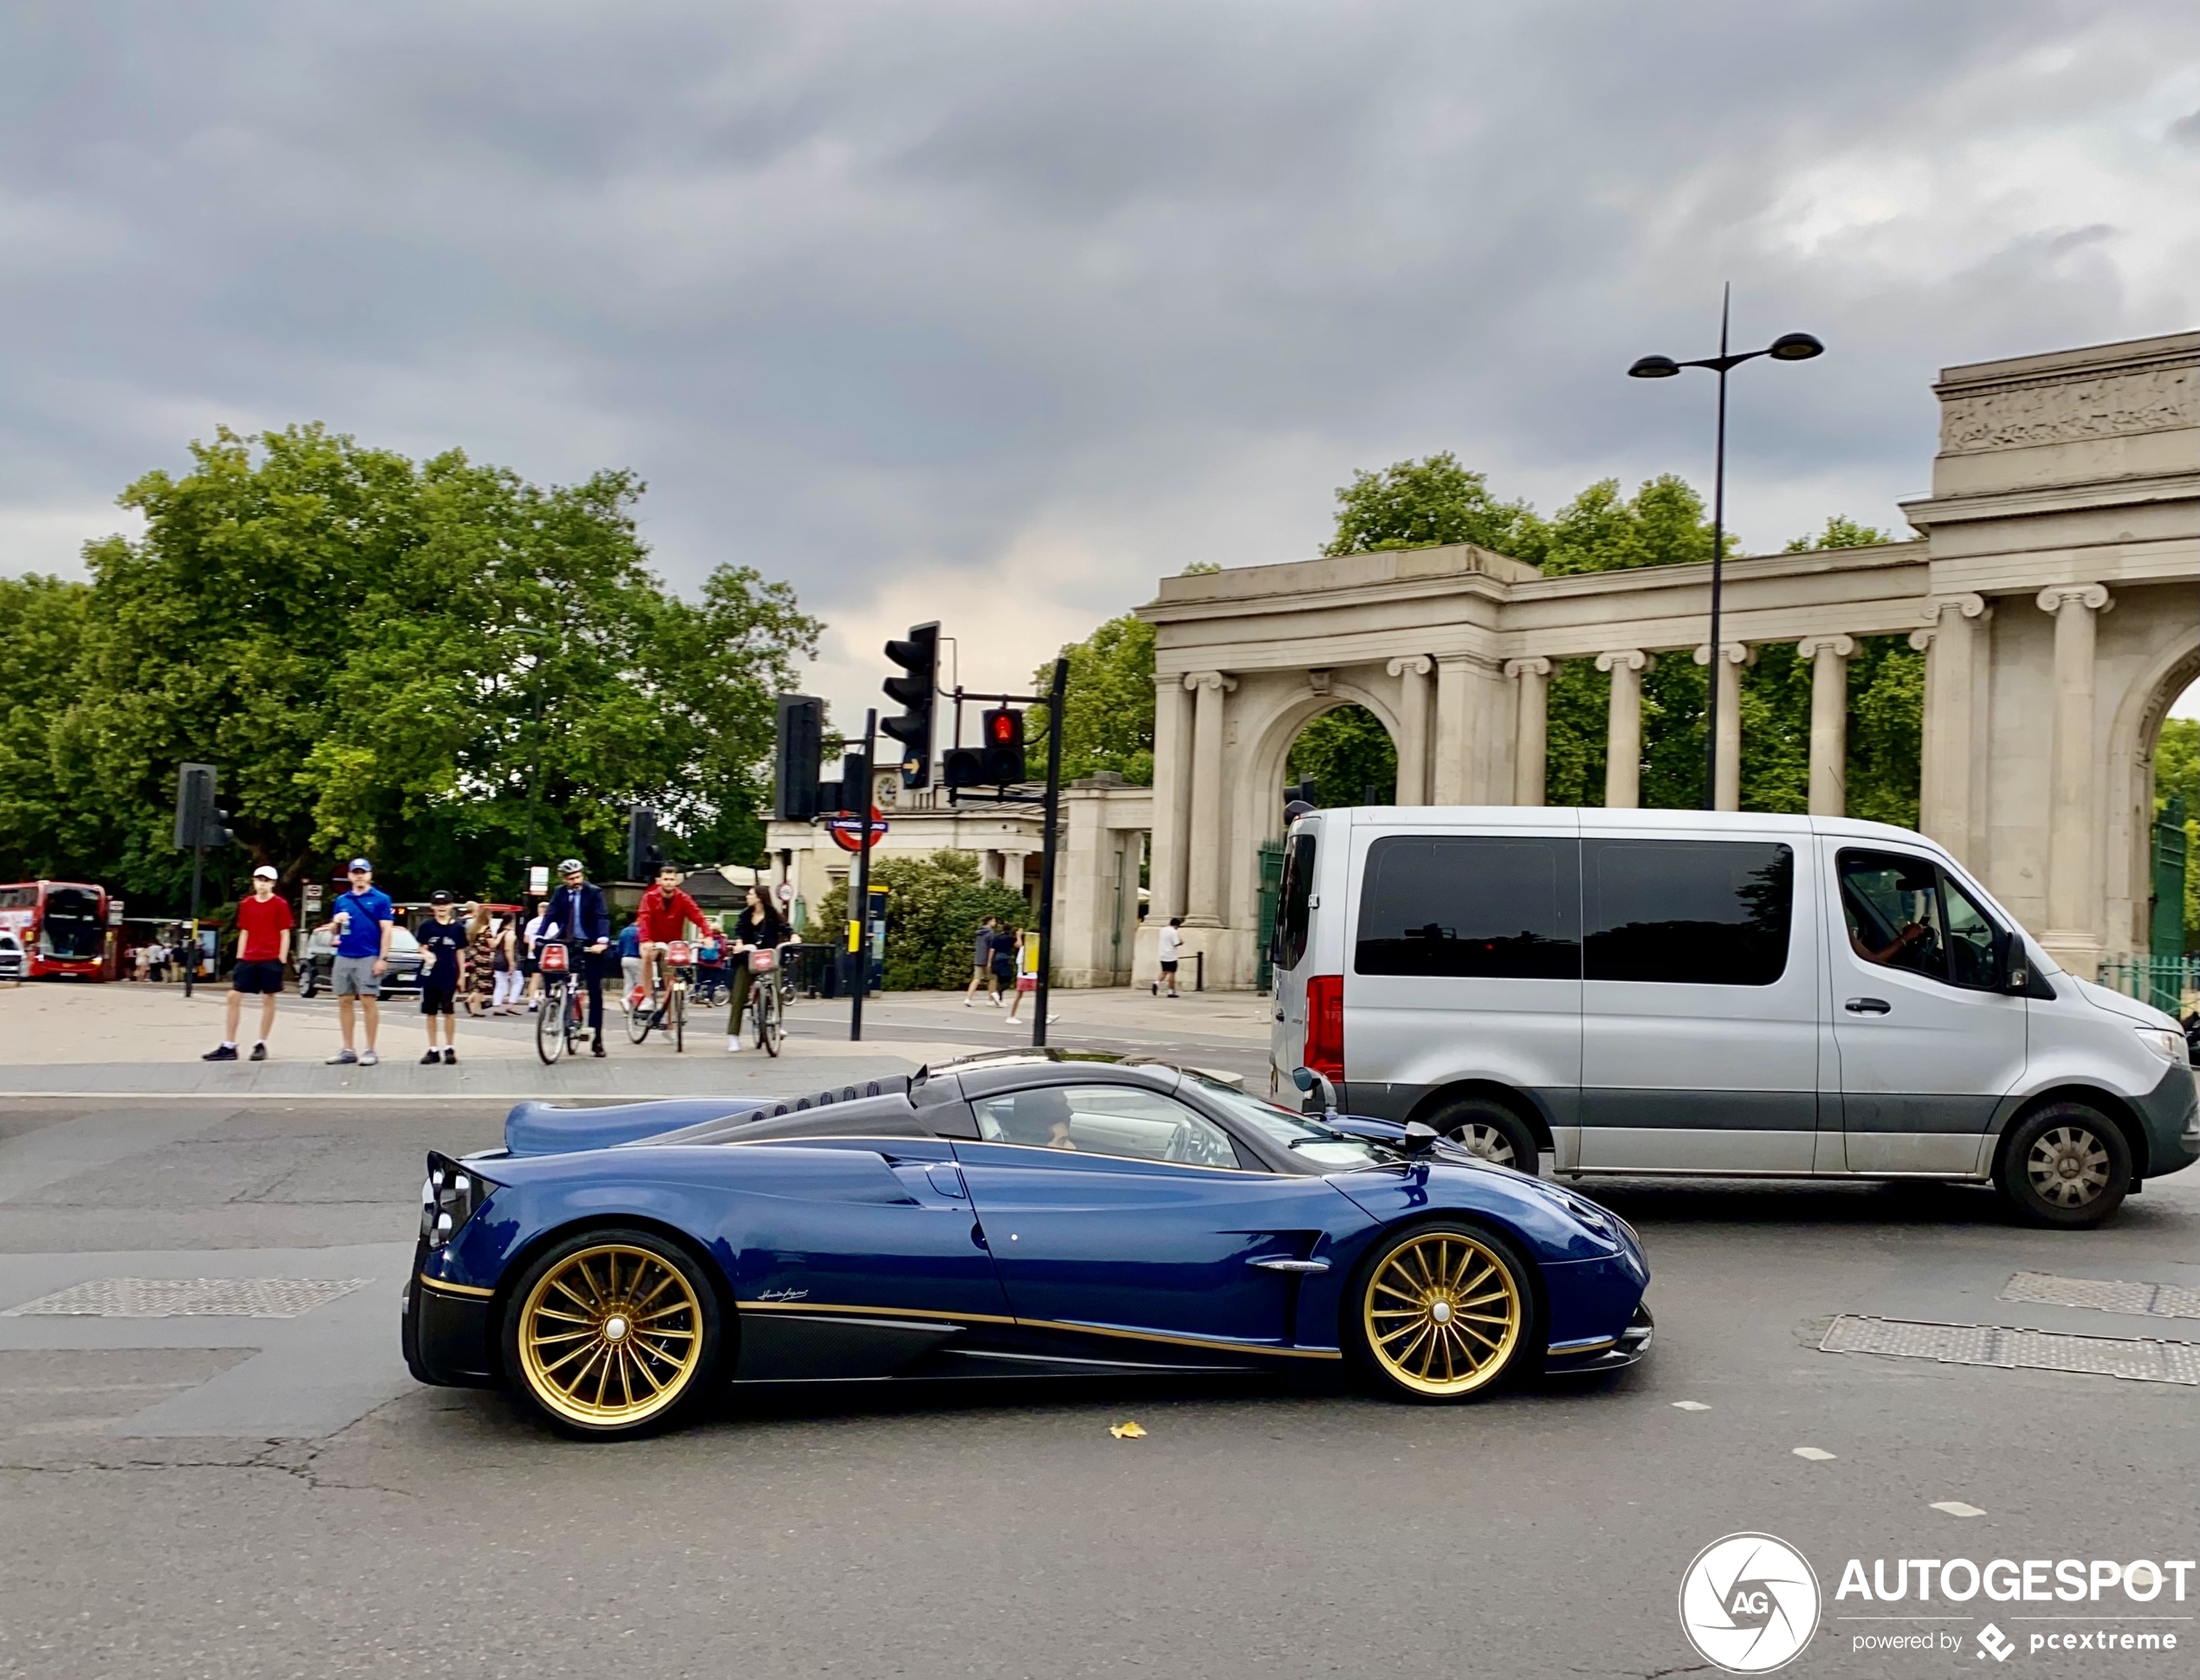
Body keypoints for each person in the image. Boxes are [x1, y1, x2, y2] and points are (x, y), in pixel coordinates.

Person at [204, 864, 294, 1062]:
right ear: (254, 881)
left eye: (266, 881)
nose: (262, 884)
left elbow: (284, 932)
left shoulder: (279, 904)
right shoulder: (247, 904)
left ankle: (261, 1042)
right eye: (259, 880)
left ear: (272, 883)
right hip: (250, 956)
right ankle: (229, 1043)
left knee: (268, 997)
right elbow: (245, 930)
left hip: (270, 955)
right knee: (234, 995)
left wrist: (281, 957)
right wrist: (240, 956)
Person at [319, 858, 393, 1065]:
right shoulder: (342, 900)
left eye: (363, 872)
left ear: (369, 875)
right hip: (344, 954)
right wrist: (336, 922)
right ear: (350, 875)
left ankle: (370, 1049)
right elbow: (334, 931)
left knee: (368, 999)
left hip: (368, 954)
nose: (359, 876)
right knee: (344, 999)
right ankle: (348, 1049)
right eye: (356, 872)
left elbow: (387, 930)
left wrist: (383, 958)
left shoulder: (381, 899)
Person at [540, 857, 612, 1056]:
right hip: (568, 941)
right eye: (571, 878)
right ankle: (553, 1001)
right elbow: (550, 915)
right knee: (548, 965)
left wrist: (602, 940)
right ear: (564, 879)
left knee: (595, 990)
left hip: (590, 943)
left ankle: (597, 1038)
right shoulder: (560, 893)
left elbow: (601, 917)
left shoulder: (594, 892)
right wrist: (539, 935)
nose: (576, 881)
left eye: (578, 876)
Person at [633, 863, 710, 1016]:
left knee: (672, 978)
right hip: (653, 941)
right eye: (666, 879)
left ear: (676, 881)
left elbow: (698, 916)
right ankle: (648, 997)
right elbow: (644, 918)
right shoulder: (649, 897)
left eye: (672, 879)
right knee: (648, 956)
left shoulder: (683, 898)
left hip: (673, 944)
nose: (669, 882)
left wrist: (707, 934)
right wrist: (646, 940)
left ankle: (671, 1025)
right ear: (659, 881)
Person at [724, 885, 792, 1052]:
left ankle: (776, 1022)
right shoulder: (745, 915)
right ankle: (733, 1036)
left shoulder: (773, 916)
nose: (747, 896)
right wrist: (740, 944)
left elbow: (786, 928)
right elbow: (739, 933)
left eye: (751, 894)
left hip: (768, 958)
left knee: (776, 988)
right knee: (739, 995)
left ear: (760, 897)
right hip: (748, 958)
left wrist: (793, 936)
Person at [415, 890, 468, 1064]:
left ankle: (450, 1047)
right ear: (432, 907)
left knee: (448, 1011)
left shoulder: (458, 929)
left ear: (451, 906)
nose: (441, 908)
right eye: (438, 905)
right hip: (430, 975)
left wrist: (461, 975)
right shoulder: (427, 926)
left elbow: (460, 952)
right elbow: (421, 947)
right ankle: (433, 1049)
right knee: (430, 1012)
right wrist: (426, 954)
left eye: (445, 904)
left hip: (449, 974)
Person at [462, 902, 496, 1018]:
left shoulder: (474, 929)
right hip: (483, 959)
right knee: (481, 986)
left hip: (474, 958)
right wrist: (500, 937)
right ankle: (476, 1010)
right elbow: (492, 944)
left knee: (477, 983)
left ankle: (470, 1002)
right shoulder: (487, 930)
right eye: (491, 916)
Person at [490, 914, 524, 1013]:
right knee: (518, 981)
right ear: (512, 921)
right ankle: (511, 1004)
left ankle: (497, 1006)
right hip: (508, 960)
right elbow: (508, 949)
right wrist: (512, 963)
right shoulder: (510, 933)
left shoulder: (500, 932)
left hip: (498, 960)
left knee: (500, 983)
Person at [964, 916, 999, 1007]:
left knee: (976, 979)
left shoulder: (979, 933)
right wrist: (990, 961)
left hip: (978, 958)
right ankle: (991, 999)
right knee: (992, 978)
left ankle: (968, 998)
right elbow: (991, 948)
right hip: (987, 959)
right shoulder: (991, 933)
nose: (995, 923)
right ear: (989, 922)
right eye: (994, 921)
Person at [616, 915, 644, 1012]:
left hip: (625, 958)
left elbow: (619, 947)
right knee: (640, 983)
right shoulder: (640, 931)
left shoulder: (624, 931)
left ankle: (627, 1008)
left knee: (628, 983)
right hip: (636, 958)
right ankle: (627, 1000)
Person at [987, 921, 1017, 1005]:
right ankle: (998, 993)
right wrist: (1018, 936)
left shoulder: (996, 937)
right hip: (1006, 959)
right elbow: (1018, 945)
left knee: (1001, 980)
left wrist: (989, 962)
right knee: (1008, 980)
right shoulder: (1011, 938)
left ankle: (999, 1000)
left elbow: (992, 950)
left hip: (997, 958)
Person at [1155, 915, 1184, 998]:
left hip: (1162, 953)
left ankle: (1156, 982)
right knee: (1172, 973)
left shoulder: (1163, 930)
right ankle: (1170, 991)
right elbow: (1176, 943)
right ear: (1176, 925)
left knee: (1164, 971)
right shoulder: (1173, 932)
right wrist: (1181, 942)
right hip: (1171, 955)